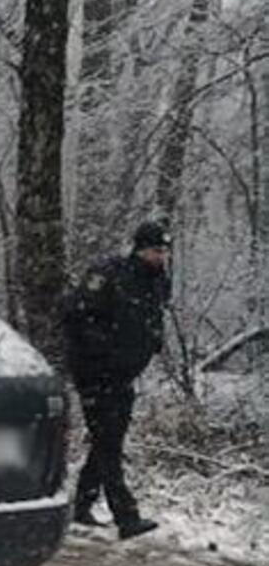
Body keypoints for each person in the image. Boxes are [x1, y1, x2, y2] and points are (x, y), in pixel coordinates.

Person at [63, 220, 172, 539]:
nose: (160, 257)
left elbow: (152, 317)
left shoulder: (157, 280)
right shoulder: (110, 274)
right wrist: (102, 353)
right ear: (139, 249)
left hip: (124, 373)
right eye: (155, 251)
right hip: (95, 372)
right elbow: (76, 316)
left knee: (109, 438)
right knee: (108, 442)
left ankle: (82, 505)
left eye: (164, 252)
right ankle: (126, 516)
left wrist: (153, 342)